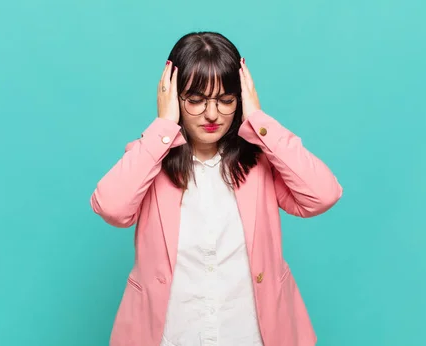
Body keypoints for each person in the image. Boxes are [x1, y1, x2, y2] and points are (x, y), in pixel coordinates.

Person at [90, 31, 343, 346]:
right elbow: (111, 207)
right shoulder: (149, 160)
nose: (212, 115)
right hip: (171, 336)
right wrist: (163, 127)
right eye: (195, 100)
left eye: (225, 100)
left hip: (252, 335)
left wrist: (259, 121)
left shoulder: (261, 162)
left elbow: (323, 194)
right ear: (173, 97)